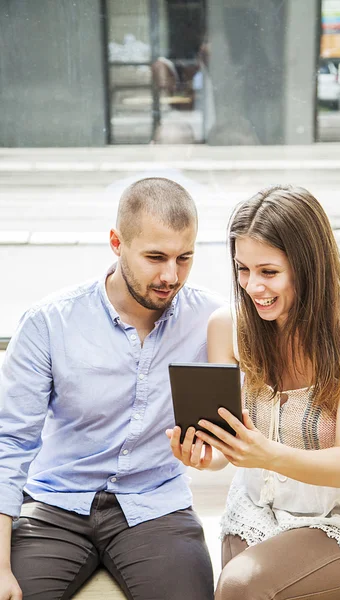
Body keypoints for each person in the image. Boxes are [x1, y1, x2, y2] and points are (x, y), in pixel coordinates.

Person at [168, 185, 340, 600]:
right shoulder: (229, 326)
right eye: (243, 269)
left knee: (240, 585)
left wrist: (266, 454)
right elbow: (228, 450)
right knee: (233, 585)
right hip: (259, 512)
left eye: (268, 271)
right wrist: (205, 457)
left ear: (308, 265)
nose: (252, 286)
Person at [0, 177, 224, 600]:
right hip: (54, 504)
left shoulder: (213, 320)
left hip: (155, 504)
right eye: (155, 257)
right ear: (116, 242)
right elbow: (9, 444)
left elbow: (229, 442)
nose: (170, 275)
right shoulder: (49, 322)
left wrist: (209, 458)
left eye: (184, 258)